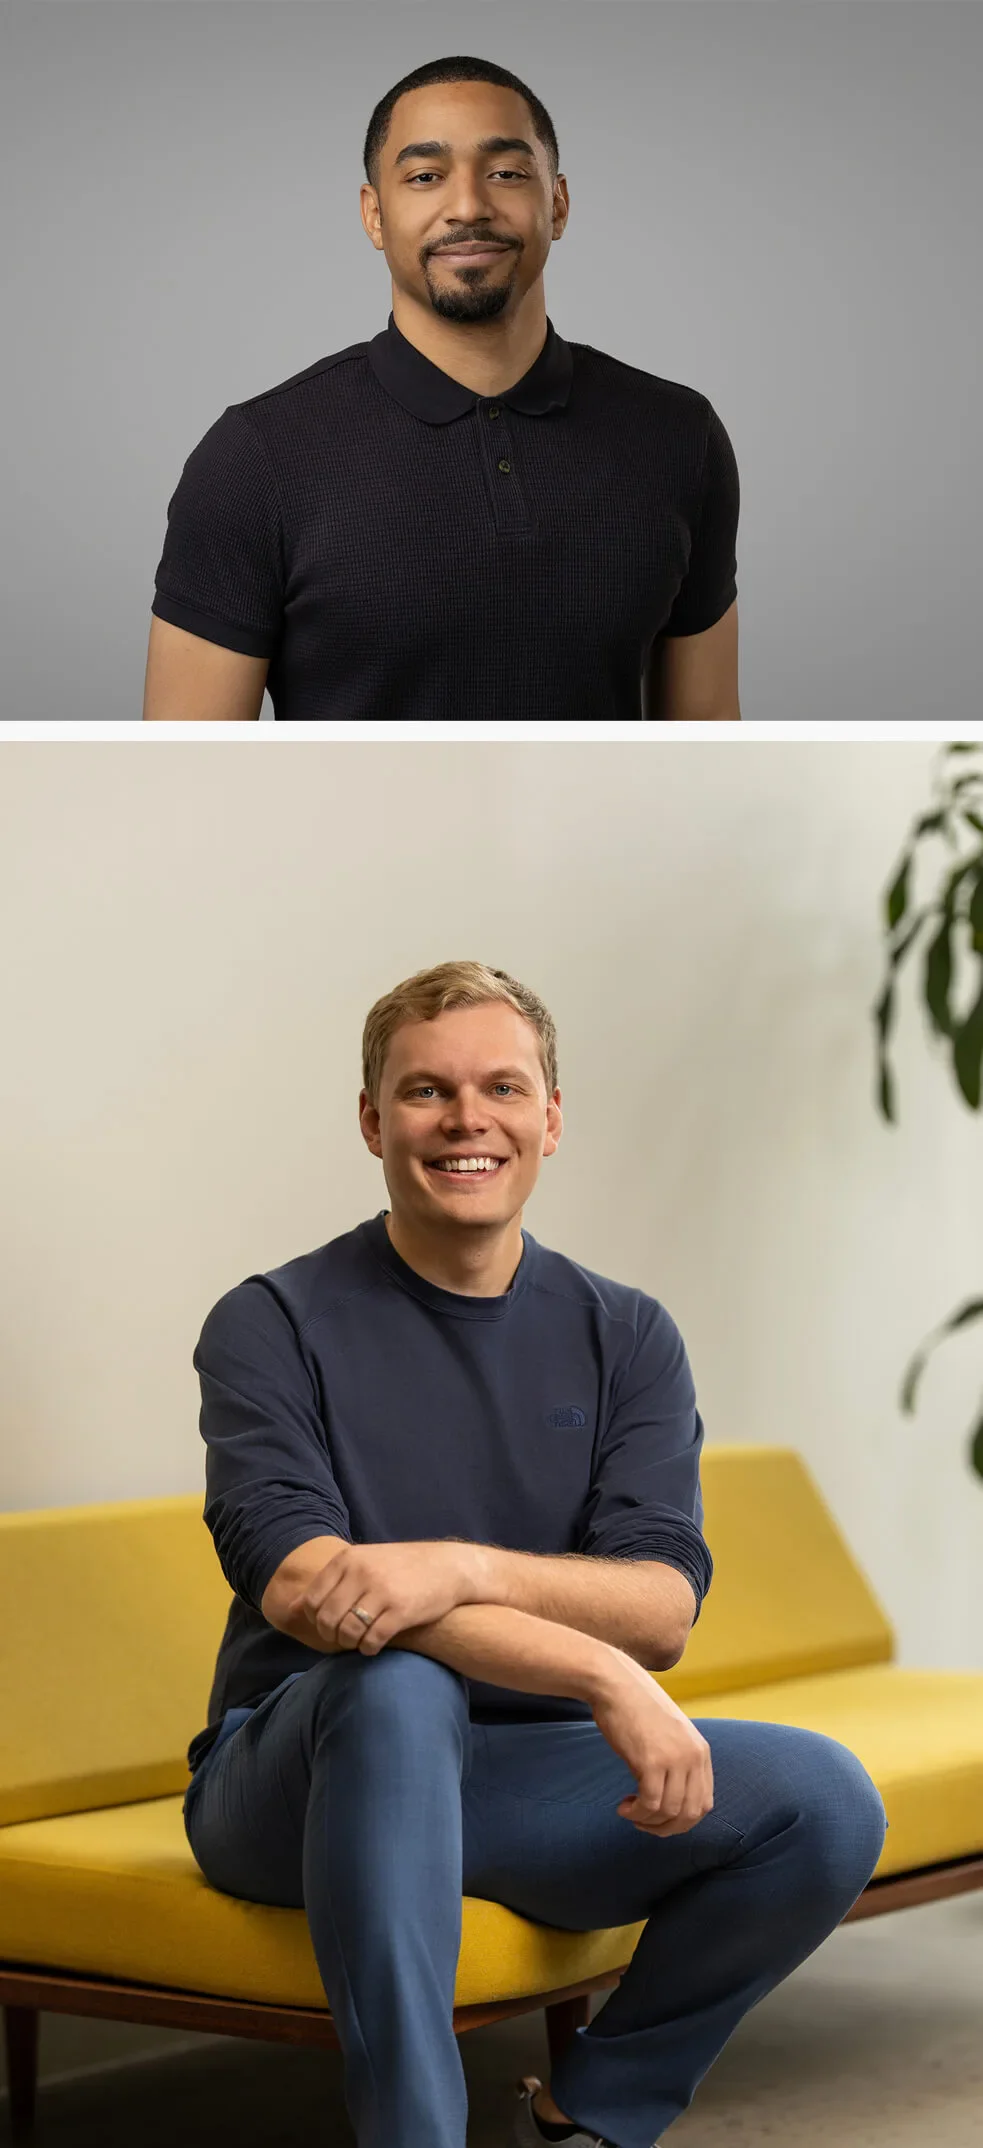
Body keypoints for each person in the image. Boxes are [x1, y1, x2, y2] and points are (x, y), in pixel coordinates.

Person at [183, 958, 886, 2148]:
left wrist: (459, 1568)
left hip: (517, 1774)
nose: (467, 1121)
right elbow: (308, 1588)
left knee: (821, 1800)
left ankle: (590, 2108)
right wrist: (600, 1674)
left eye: (501, 1088)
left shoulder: (624, 1334)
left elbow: (661, 1606)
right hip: (291, 1776)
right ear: (371, 1121)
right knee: (397, 1685)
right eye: (425, 1092)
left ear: (549, 1118)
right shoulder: (272, 1323)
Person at [144, 57, 741, 723]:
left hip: (607, 834)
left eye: (506, 173)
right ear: (374, 215)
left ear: (558, 203)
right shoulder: (257, 456)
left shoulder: (678, 435)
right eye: (425, 177)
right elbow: (183, 777)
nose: (467, 207)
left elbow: (708, 745)